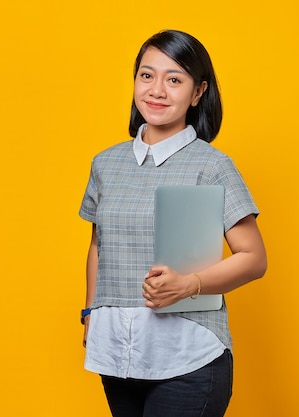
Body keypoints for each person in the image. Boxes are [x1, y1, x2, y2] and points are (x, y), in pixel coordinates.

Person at [79, 29, 267, 417]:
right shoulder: (105, 163)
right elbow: (99, 244)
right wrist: (90, 313)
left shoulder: (211, 165)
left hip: (188, 353)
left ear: (197, 93)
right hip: (117, 353)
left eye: (174, 79)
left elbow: (253, 258)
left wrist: (189, 285)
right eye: (147, 76)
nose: (157, 90)